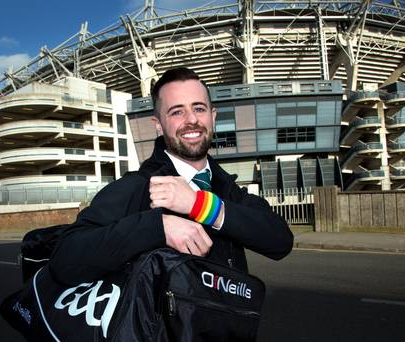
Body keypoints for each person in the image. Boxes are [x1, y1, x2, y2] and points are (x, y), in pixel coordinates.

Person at [49, 67, 293, 286]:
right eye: (177, 112)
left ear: (213, 116)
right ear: (158, 124)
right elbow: (65, 259)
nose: (192, 120)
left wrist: (201, 205)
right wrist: (157, 228)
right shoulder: (137, 186)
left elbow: (280, 240)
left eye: (199, 108)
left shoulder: (227, 188)